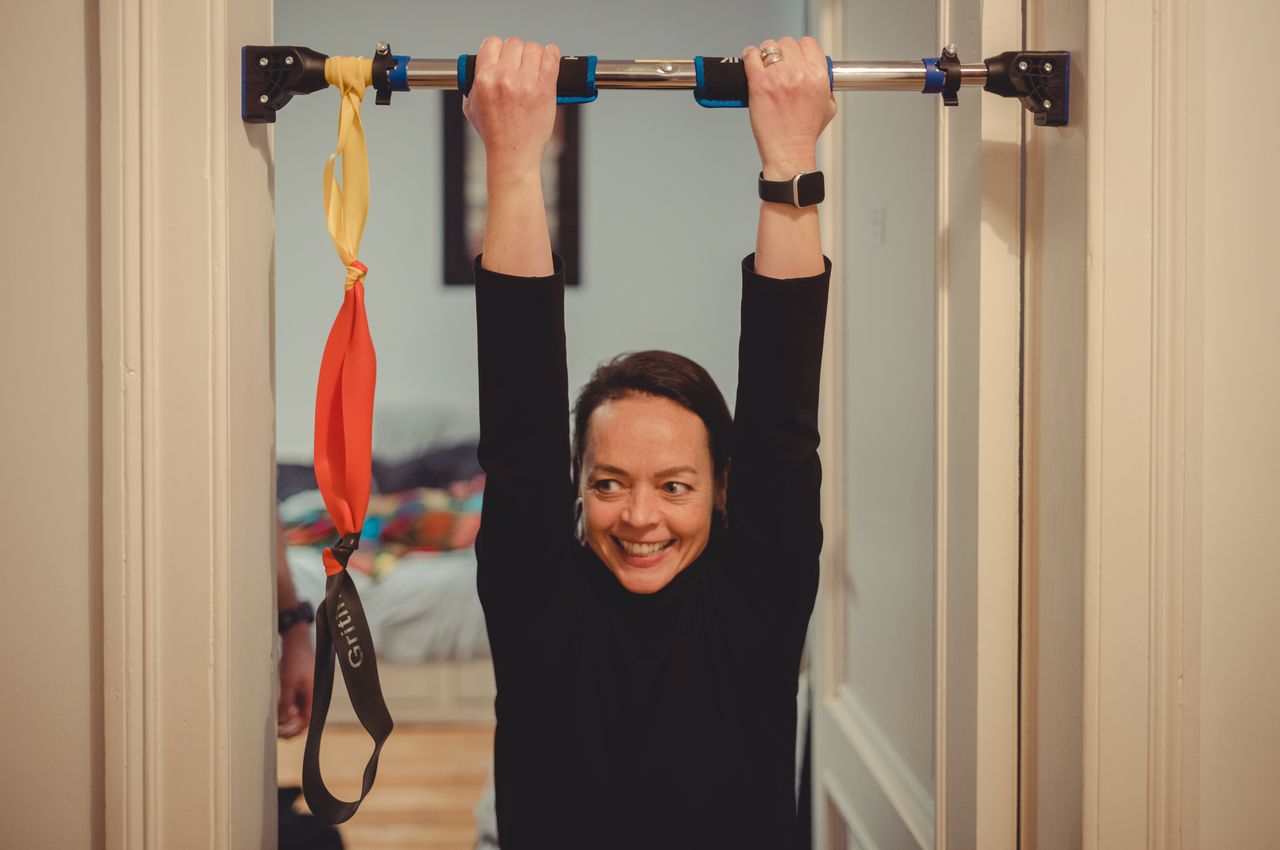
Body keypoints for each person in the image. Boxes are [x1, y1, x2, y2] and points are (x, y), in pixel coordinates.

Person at [465, 34, 835, 849]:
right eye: (608, 483)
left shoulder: (757, 600)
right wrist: (514, 166)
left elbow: (782, 425)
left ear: (722, 489)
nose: (639, 517)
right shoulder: (537, 601)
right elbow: (520, 430)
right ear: (577, 486)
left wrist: (791, 158)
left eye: (674, 485)